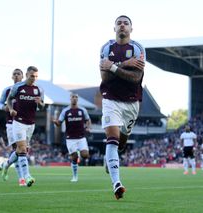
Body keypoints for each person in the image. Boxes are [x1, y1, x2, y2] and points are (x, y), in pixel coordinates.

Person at [99, 15, 145, 200]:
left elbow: (136, 77)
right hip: (110, 99)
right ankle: (116, 183)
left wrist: (114, 67)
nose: (122, 26)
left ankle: (108, 160)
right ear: (114, 28)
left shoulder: (137, 48)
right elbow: (105, 78)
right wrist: (124, 65)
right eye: (119, 23)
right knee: (112, 139)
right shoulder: (106, 48)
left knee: (122, 143)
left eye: (126, 23)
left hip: (132, 102)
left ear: (131, 29)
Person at [6, 66, 44, 187]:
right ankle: (27, 176)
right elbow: (8, 100)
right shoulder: (17, 87)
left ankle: (6, 165)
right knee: (22, 149)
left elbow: (42, 106)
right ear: (27, 75)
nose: (34, 78)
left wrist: (40, 103)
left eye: (36, 76)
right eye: (32, 76)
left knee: (21, 150)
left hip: (30, 124)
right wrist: (11, 109)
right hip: (18, 122)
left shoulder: (39, 89)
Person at [52, 93, 91, 182]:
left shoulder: (82, 110)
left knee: (85, 155)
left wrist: (88, 127)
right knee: (74, 157)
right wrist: (55, 122)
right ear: (70, 98)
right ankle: (75, 176)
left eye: (76, 97)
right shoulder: (65, 111)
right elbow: (59, 123)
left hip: (81, 137)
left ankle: (80, 154)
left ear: (78, 99)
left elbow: (88, 119)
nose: (74, 98)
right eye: (73, 97)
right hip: (70, 138)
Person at [0, 68, 25, 186]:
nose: (16, 75)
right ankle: (21, 179)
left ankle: (6, 164)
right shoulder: (7, 90)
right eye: (14, 74)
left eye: (19, 74)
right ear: (12, 77)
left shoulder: (25, 90)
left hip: (24, 123)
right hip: (11, 123)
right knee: (17, 149)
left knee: (22, 150)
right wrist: (4, 107)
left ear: (22, 76)